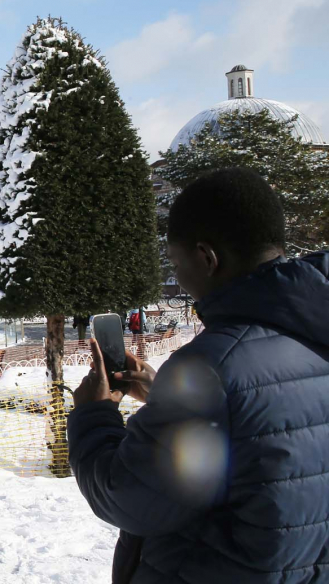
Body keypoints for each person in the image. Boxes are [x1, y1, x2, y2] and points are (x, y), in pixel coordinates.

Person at [68, 168, 329, 583]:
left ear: (207, 258)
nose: (180, 278)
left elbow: (128, 497)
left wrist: (92, 416)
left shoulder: (213, 365)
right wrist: (165, 396)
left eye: (176, 261)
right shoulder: (313, 331)